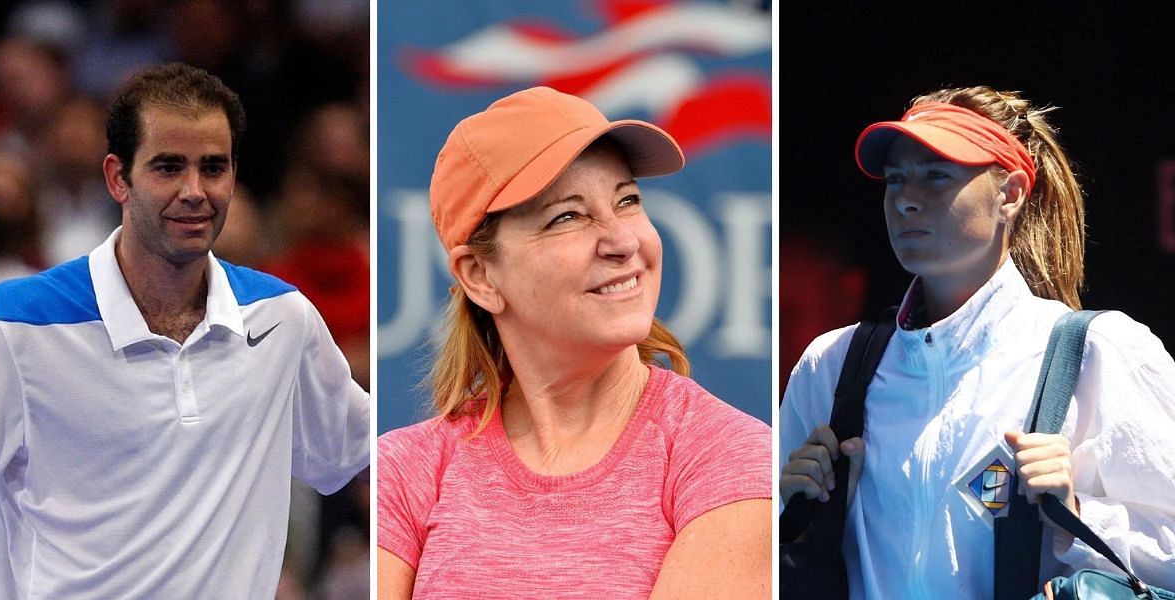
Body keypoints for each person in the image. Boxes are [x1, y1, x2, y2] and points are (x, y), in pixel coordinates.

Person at [0, 62, 370, 598]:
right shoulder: (13, 326)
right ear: (119, 178)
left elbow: (353, 452)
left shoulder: (283, 317)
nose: (194, 191)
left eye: (213, 167)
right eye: (168, 167)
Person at [377, 86, 772, 599]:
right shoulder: (404, 470)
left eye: (627, 201)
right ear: (479, 276)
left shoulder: (730, 456)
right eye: (567, 216)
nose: (623, 241)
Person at [780, 86, 1175, 597]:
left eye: (936, 176)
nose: (905, 198)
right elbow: (750, 569)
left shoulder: (1102, 350)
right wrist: (794, 514)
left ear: (1009, 194)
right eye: (895, 178)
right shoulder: (829, 366)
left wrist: (1073, 513)